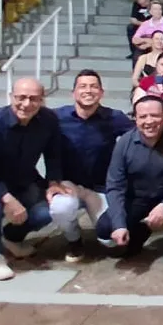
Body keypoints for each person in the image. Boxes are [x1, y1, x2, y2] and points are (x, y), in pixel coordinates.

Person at [0, 77, 66, 281]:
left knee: (49, 210)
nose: (27, 104)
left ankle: (12, 237)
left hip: (23, 176)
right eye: (21, 97)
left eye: (34, 99)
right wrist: (7, 199)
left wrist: (54, 182)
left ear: (42, 100)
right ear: (11, 97)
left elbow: (54, 153)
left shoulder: (49, 120)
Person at [96, 96, 163, 266]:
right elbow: (115, 186)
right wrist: (119, 224)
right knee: (105, 228)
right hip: (137, 198)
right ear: (135, 119)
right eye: (143, 116)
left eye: (155, 115)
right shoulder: (124, 144)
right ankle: (141, 231)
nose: (149, 121)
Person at [50, 71, 133, 262]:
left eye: (94, 86)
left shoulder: (114, 117)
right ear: (74, 93)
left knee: (113, 244)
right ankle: (74, 240)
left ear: (101, 92)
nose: (88, 90)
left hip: (102, 187)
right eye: (83, 86)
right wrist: (53, 181)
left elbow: (137, 139)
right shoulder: (56, 118)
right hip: (69, 185)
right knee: (60, 208)